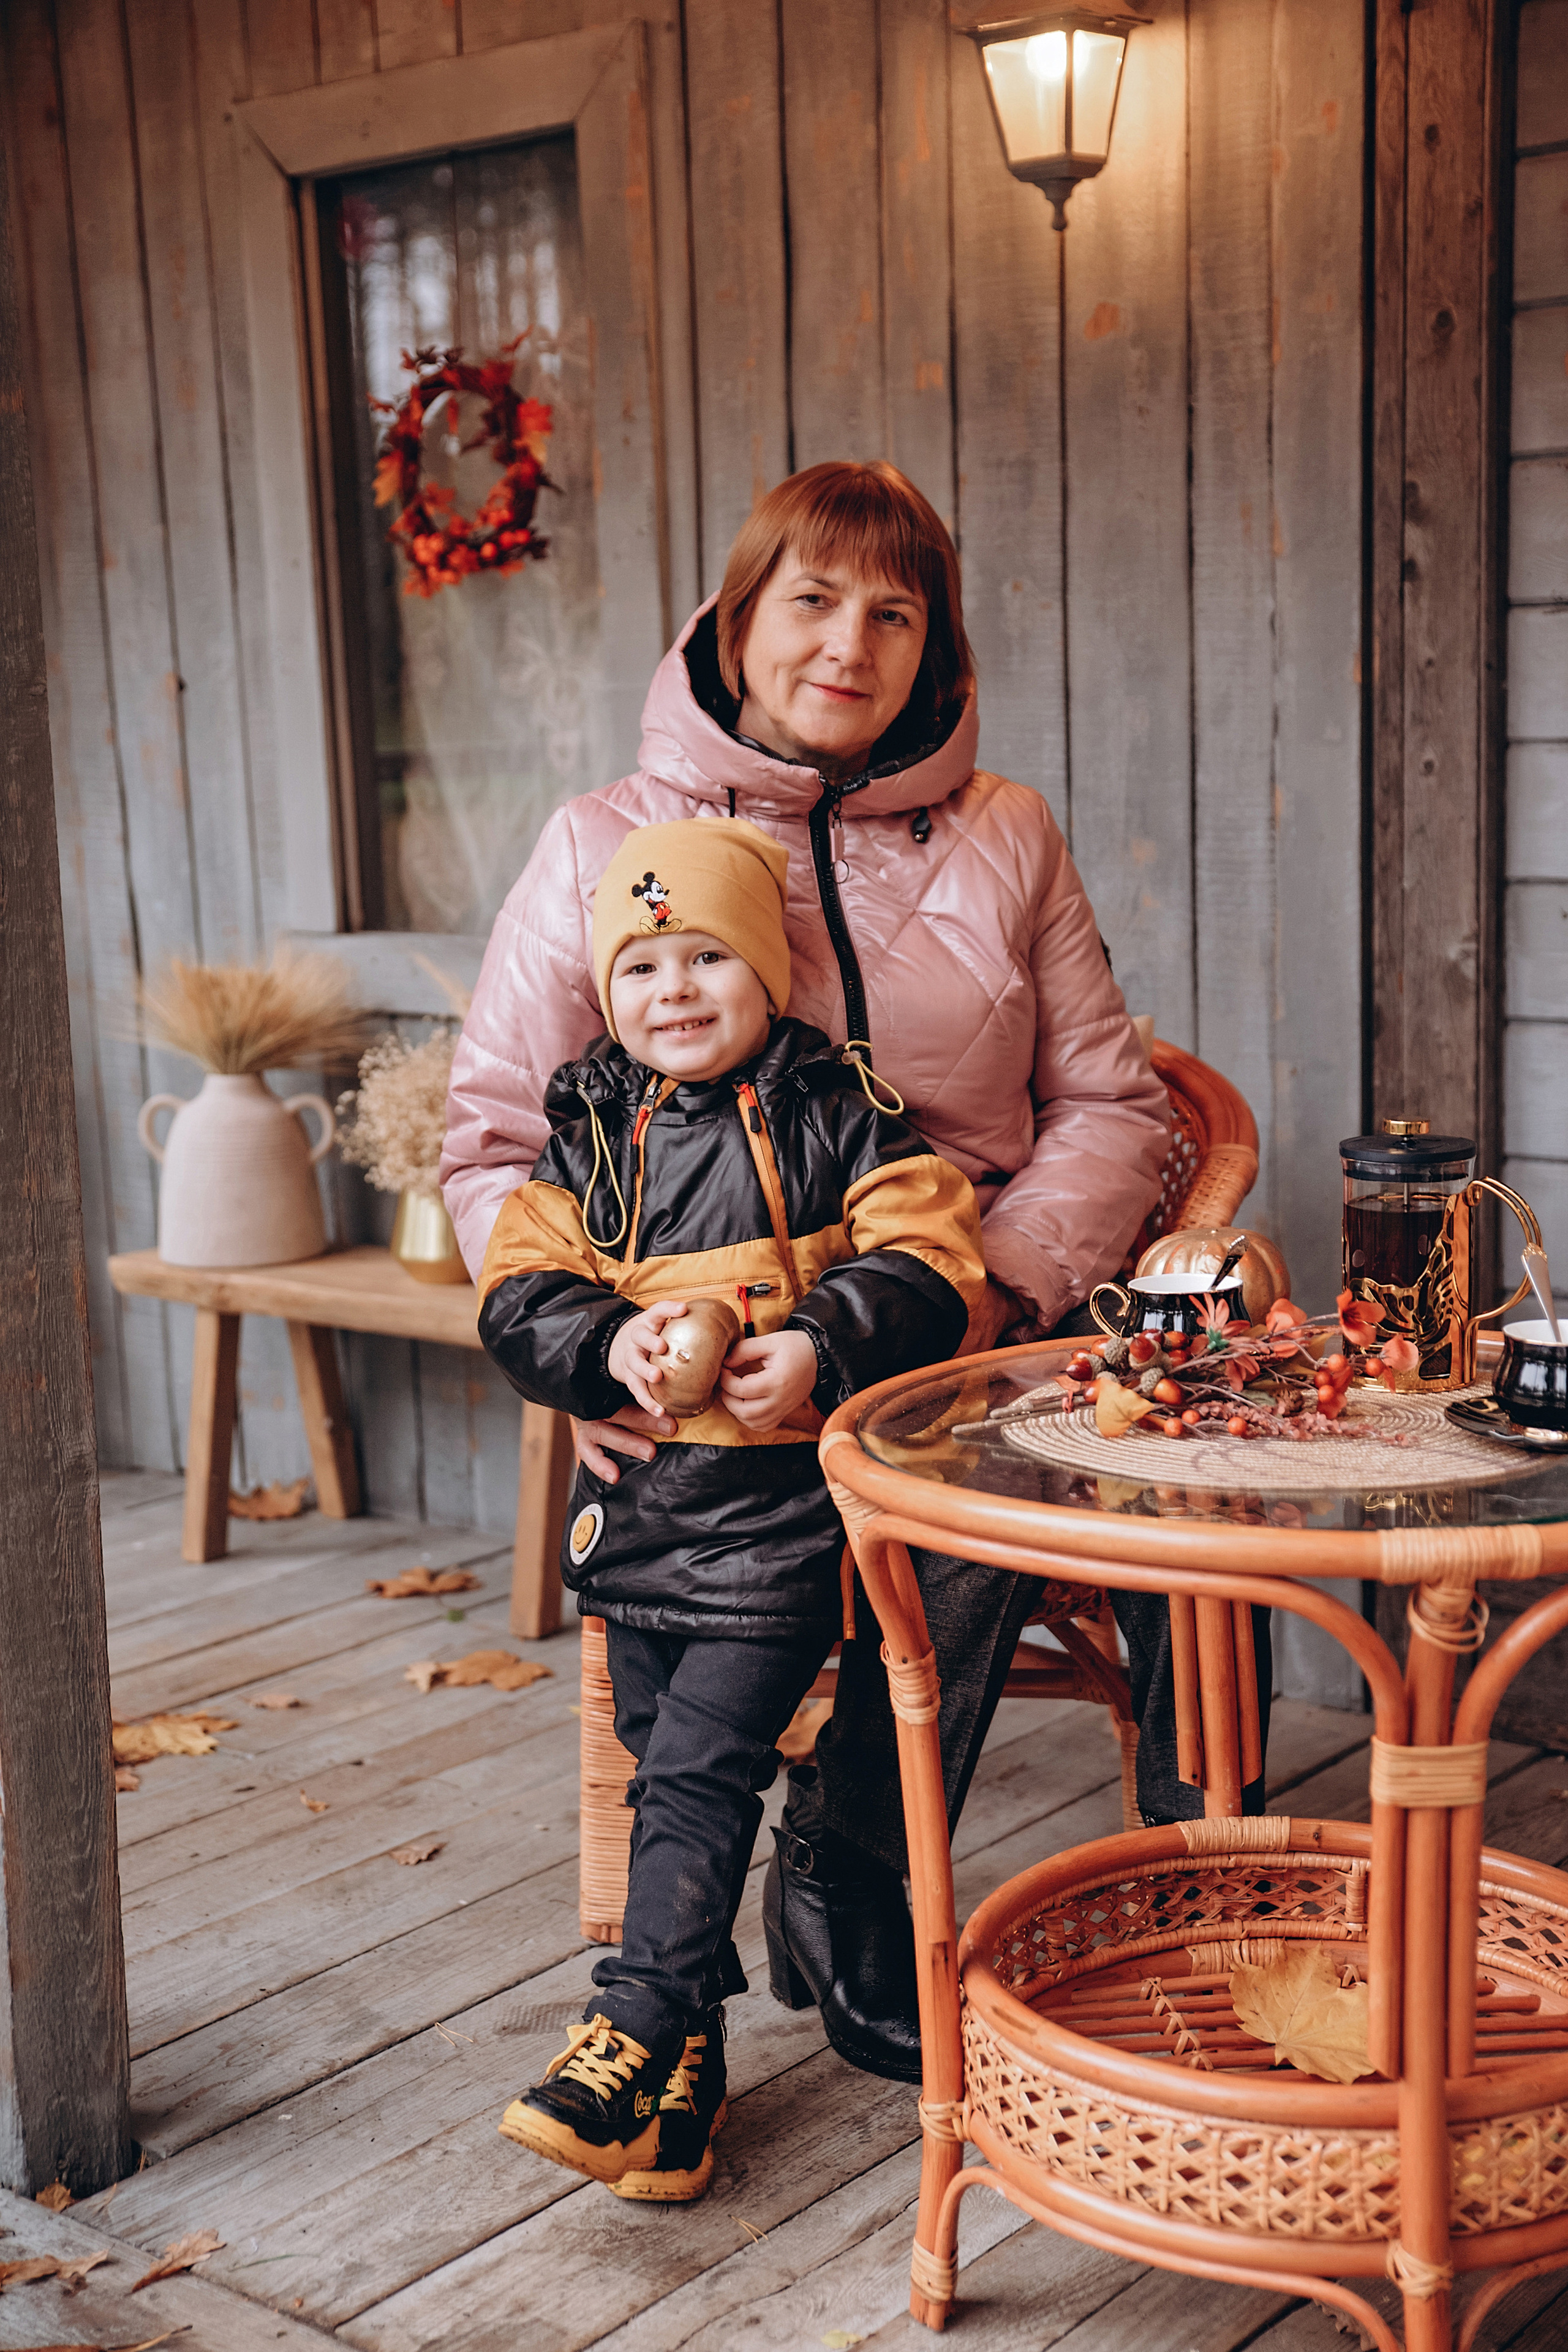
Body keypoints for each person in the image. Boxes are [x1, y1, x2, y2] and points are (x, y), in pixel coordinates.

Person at [441, 459, 1176, 2086]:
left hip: (958, 1311)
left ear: (936, 648)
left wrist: (982, 1295)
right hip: (694, 1348)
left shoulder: (1008, 834)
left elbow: (1114, 1110)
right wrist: (591, 1354)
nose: (850, 643)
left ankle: (859, 1853)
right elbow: (497, 1150)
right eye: (814, 601)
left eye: (893, 611)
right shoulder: (602, 847)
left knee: (989, 1456)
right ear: (737, 622)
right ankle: (681, 1964)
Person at [477, 816, 987, 2197]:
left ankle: (632, 2026)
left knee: (700, 1769)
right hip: (644, 1519)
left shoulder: (836, 1108)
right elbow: (517, 1285)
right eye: (642, 965)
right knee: (666, 1775)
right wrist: (600, 1348)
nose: (676, 990)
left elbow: (932, 1253)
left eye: (708, 956)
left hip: (781, 1522)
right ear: (607, 992)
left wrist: (822, 1340)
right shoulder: (585, 1123)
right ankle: (681, 2102)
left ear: (768, 975)